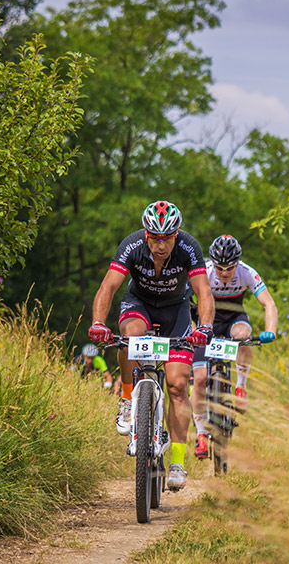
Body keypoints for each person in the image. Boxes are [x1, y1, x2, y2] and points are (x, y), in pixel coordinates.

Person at [87, 200, 215, 490]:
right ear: (146, 234)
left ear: (176, 234)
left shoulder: (189, 247)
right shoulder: (132, 246)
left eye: (167, 238)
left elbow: (203, 291)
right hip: (139, 305)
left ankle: (178, 463)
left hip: (176, 311)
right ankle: (128, 399)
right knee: (130, 337)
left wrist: (205, 326)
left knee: (178, 385)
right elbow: (108, 286)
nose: (161, 245)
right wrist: (98, 322)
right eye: (155, 238)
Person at [190, 234, 277, 459]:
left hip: (233, 320)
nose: (225, 273)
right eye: (220, 268)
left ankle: (240, 387)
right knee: (199, 379)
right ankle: (200, 434)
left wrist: (270, 330)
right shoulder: (204, 272)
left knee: (243, 335)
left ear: (237, 263)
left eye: (229, 268)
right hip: (206, 324)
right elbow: (182, 301)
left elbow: (269, 303)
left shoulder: (247, 272)